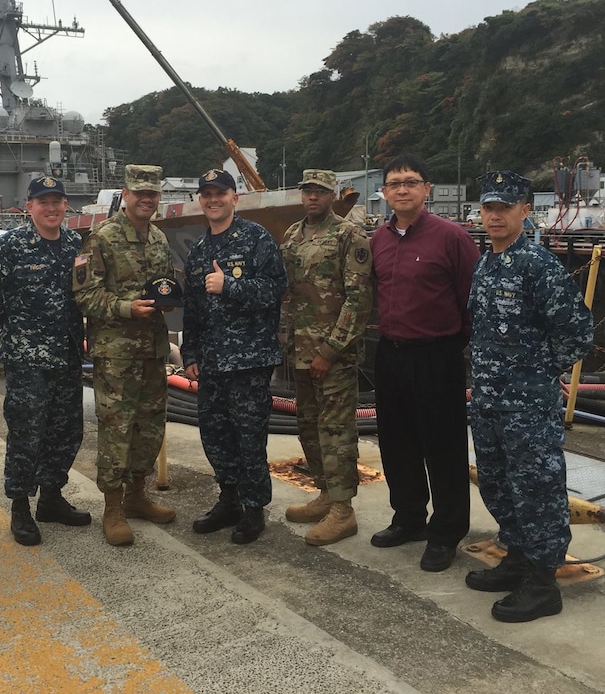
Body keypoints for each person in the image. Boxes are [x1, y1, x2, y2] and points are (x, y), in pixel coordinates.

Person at [466, 170, 593, 622]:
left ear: (525, 211)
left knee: (537, 490)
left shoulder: (538, 265)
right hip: (487, 400)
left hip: (527, 405)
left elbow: (577, 334)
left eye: (505, 207)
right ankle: (517, 557)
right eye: (488, 207)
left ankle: (543, 582)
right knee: (499, 484)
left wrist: (536, 374)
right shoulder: (487, 262)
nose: (495, 215)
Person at [369, 154, 480, 572]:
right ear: (384, 192)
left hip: (436, 355)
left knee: (443, 448)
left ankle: (446, 531)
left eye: (411, 182)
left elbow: (472, 300)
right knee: (397, 443)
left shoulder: (451, 238)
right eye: (394, 183)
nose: (402, 189)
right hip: (390, 354)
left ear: (426, 189)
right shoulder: (377, 241)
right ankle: (409, 517)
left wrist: (456, 348)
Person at [0, 175, 90, 548]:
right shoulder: (12, 246)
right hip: (27, 359)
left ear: (65, 205)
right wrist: (11, 322)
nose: (52, 208)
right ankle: (20, 507)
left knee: (67, 430)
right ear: (30, 207)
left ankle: (51, 498)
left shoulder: (74, 243)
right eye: (43, 202)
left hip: (67, 355)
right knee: (26, 434)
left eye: (57, 201)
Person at [73, 164, 178, 546]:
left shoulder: (159, 240)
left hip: (152, 350)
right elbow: (84, 295)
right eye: (140, 193)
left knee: (149, 427)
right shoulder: (100, 238)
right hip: (116, 353)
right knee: (117, 428)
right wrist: (125, 308)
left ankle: (137, 494)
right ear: (126, 194)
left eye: (152, 194)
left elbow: (164, 287)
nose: (146, 199)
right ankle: (113, 506)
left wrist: (167, 303)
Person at [181, 169, 287, 545]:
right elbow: (192, 309)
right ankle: (229, 500)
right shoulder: (198, 250)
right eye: (206, 194)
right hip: (211, 361)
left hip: (249, 360)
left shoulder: (257, 239)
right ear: (201, 200)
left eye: (220, 193)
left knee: (249, 438)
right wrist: (190, 352)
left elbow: (275, 289)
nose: (213, 200)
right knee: (215, 435)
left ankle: (254, 507)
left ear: (234, 197)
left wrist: (231, 286)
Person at [280, 169, 373, 546]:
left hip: (333, 353)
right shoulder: (291, 235)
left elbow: (358, 298)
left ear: (333, 195)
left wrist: (330, 349)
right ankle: (324, 493)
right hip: (300, 351)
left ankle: (343, 510)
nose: (313, 197)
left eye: (320, 191)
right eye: (308, 191)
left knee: (336, 431)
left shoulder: (350, 235)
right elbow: (288, 292)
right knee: (309, 427)